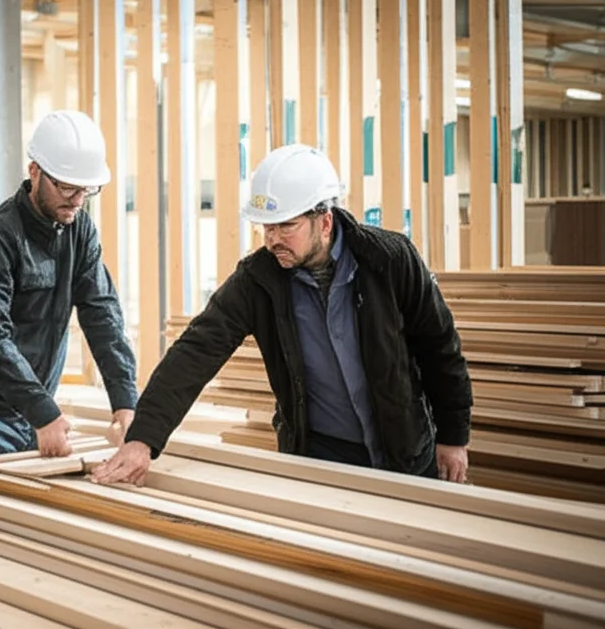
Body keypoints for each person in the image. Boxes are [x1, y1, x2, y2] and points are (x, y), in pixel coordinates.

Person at [91, 143, 473, 486]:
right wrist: (143, 440)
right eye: (266, 227)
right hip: (321, 459)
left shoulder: (389, 260)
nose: (272, 239)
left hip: (405, 450)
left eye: (285, 226)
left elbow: (439, 346)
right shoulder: (259, 279)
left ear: (324, 221)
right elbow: (195, 351)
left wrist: (453, 436)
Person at [0, 109, 139, 458]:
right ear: (34, 172)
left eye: (86, 190)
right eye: (67, 187)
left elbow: (102, 314)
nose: (76, 199)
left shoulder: (80, 230)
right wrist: (43, 412)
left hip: (30, 399)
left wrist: (125, 400)